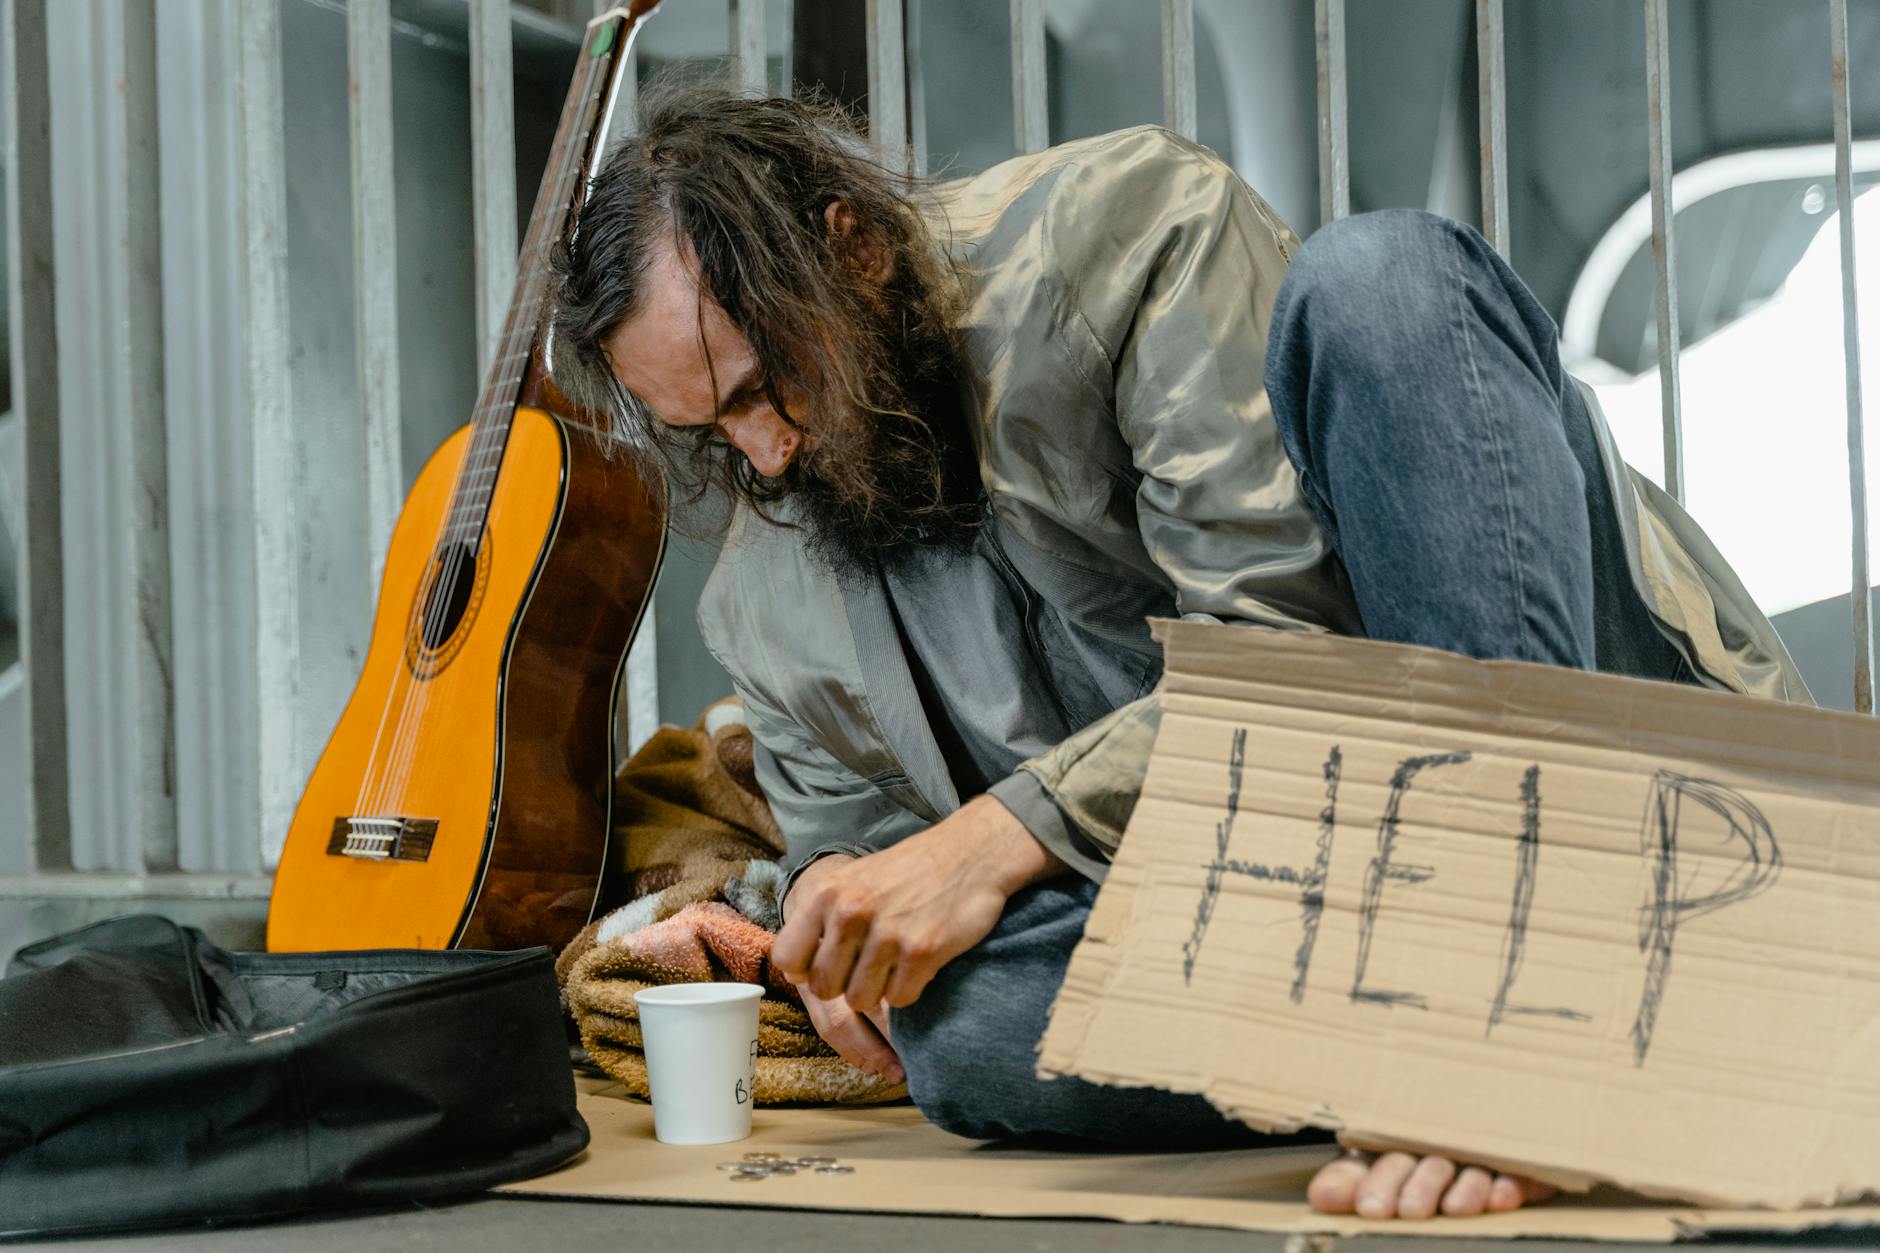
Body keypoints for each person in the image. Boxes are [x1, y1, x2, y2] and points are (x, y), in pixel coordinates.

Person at [549, 85, 1810, 1221]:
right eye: (710, 429)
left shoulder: (1127, 231)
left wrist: (995, 837)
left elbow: (1293, 650)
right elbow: (872, 872)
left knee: (1381, 280)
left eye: (768, 384)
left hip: (1596, 772)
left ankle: (1522, 1004)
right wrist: (846, 935)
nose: (766, 452)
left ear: (853, 249)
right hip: (1312, 893)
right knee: (959, 1029)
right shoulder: (761, 602)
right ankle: (1557, 1028)